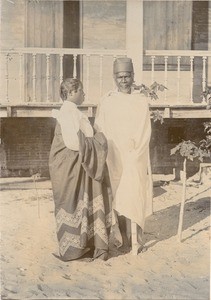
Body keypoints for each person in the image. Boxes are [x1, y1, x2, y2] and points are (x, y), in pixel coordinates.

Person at [49, 78, 112, 261]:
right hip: (71, 165)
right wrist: (97, 141)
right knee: (73, 201)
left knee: (84, 201)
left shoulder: (74, 111)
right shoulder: (67, 112)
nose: (84, 94)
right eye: (81, 91)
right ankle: (75, 249)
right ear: (70, 93)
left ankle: (88, 245)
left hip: (80, 162)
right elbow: (72, 143)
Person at [94, 57, 153, 254]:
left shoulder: (140, 101)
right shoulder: (107, 101)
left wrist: (136, 149)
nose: (124, 80)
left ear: (133, 77)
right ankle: (122, 238)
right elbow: (100, 128)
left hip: (134, 155)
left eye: (127, 76)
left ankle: (136, 237)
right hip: (114, 156)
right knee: (117, 195)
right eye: (120, 77)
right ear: (114, 78)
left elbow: (144, 128)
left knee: (134, 192)